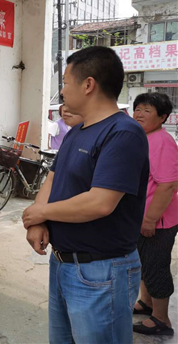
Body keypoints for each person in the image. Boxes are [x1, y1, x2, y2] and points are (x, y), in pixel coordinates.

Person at [22, 46, 149, 343]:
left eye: (66, 82)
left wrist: (41, 212)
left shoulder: (123, 133)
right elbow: (53, 178)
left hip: (101, 271)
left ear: (88, 85)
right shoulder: (77, 131)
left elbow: (100, 202)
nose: (62, 91)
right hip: (63, 263)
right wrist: (38, 222)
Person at [132, 92, 178, 337]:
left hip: (158, 220)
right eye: (138, 109)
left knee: (156, 266)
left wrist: (150, 219)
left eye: (147, 110)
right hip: (143, 217)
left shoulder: (162, 141)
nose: (139, 114)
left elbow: (169, 184)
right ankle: (146, 302)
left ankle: (162, 320)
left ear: (162, 117)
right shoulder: (145, 138)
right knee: (144, 263)